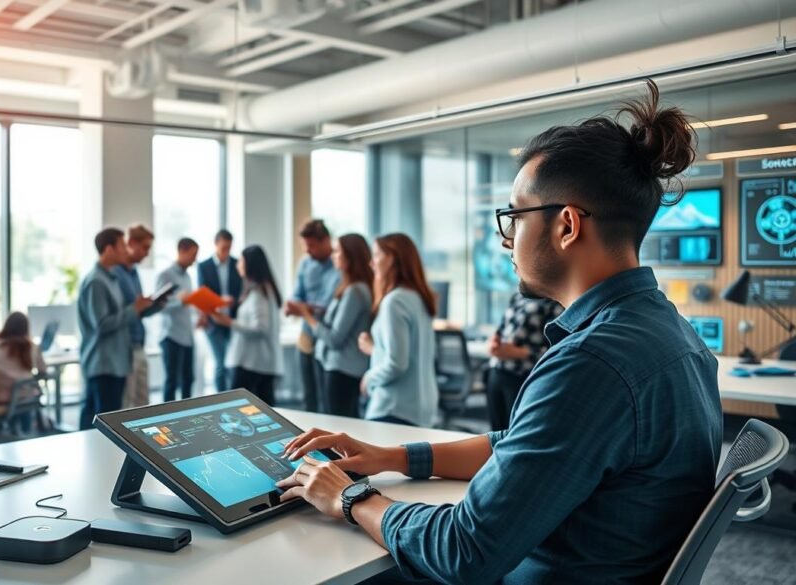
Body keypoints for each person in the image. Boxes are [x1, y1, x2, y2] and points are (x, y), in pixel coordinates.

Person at [272, 81, 722, 583]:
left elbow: (464, 552)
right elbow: (521, 443)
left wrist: (350, 496)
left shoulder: (592, 363)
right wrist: (391, 457)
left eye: (514, 216)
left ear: (567, 226)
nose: (507, 240)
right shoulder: (673, 334)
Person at [355, 233, 437, 427]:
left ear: (391, 258)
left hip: (394, 407)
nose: (371, 263)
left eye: (376, 255)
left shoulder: (394, 301)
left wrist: (369, 378)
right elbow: (409, 354)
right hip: (420, 406)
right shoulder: (418, 297)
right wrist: (374, 349)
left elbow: (396, 363)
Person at [289, 234, 373, 418]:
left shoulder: (355, 291)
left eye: (337, 252)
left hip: (342, 369)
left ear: (350, 257)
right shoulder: (349, 287)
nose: (333, 256)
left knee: (337, 422)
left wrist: (307, 315)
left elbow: (334, 339)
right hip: (338, 366)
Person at [78, 228, 153, 430]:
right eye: (122, 246)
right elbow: (102, 325)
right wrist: (134, 309)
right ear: (109, 249)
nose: (126, 250)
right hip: (104, 364)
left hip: (115, 361)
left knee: (107, 418)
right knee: (102, 424)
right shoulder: (96, 281)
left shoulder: (109, 278)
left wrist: (140, 308)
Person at [209, 245, 283, 406]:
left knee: (238, 409)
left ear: (250, 265)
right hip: (255, 362)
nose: (237, 265)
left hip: (252, 363)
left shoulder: (259, 293)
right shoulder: (261, 290)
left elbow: (260, 328)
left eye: (241, 261)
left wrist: (229, 322)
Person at [485, 292, 563, 431]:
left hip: (523, 376)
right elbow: (502, 330)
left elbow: (559, 351)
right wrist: (493, 343)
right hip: (497, 370)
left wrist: (518, 352)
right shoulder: (518, 296)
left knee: (516, 431)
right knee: (495, 432)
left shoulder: (555, 302)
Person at [285, 219, 339, 413]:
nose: (307, 251)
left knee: (328, 400)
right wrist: (295, 305)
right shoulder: (305, 263)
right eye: (305, 246)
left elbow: (330, 306)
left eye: (312, 246)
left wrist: (305, 309)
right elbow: (297, 294)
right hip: (307, 336)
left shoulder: (340, 265)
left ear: (326, 240)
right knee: (308, 397)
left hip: (330, 339)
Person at [114, 224, 161, 409]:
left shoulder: (134, 273)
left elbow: (138, 311)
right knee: (127, 405)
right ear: (131, 243)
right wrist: (137, 307)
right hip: (124, 348)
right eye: (145, 247)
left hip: (139, 343)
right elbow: (118, 314)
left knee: (143, 403)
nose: (147, 253)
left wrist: (155, 305)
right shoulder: (115, 274)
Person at [0, 312, 46, 432]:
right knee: (27, 393)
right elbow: (43, 370)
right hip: (20, 395)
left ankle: (11, 430)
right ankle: (25, 432)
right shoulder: (32, 347)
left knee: (22, 392)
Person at [197, 229, 243, 393]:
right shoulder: (204, 266)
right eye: (223, 248)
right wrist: (220, 301)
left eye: (229, 248)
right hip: (213, 322)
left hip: (233, 321)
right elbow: (202, 295)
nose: (226, 251)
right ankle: (222, 397)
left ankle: (232, 396)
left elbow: (241, 292)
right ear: (216, 244)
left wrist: (234, 301)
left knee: (233, 363)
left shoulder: (237, 264)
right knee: (221, 363)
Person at [156, 238, 201, 402]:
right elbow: (159, 306)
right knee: (172, 382)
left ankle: (187, 414)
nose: (195, 259)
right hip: (171, 336)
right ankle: (168, 415)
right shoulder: (165, 275)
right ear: (181, 251)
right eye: (193, 255)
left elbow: (187, 305)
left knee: (188, 379)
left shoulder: (188, 276)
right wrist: (181, 301)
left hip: (187, 336)